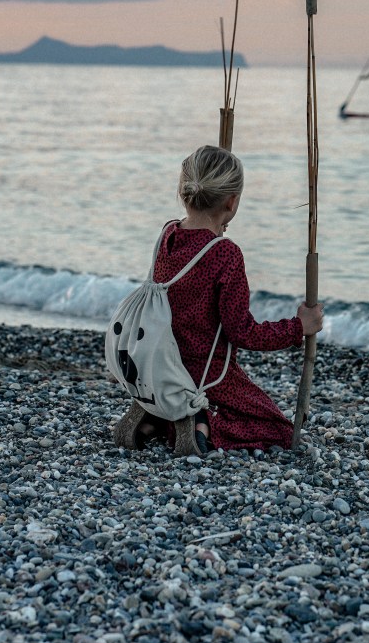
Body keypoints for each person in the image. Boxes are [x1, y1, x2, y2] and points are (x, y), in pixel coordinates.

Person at [113, 145, 323, 456]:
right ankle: (199, 422)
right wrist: (298, 327)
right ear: (232, 201)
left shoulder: (168, 234)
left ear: (184, 192)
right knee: (276, 428)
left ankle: (157, 415)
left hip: (159, 363)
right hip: (205, 374)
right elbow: (242, 332)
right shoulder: (225, 254)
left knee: (256, 413)